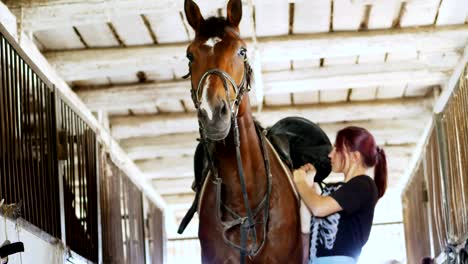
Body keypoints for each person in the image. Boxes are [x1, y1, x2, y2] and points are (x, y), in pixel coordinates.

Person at [293, 126, 387, 264]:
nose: (330, 155)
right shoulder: (337, 189)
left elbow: (319, 208)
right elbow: (314, 207)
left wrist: (299, 181)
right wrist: (309, 181)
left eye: (336, 149)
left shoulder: (364, 185)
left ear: (355, 156)